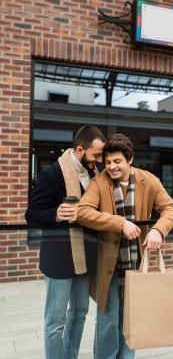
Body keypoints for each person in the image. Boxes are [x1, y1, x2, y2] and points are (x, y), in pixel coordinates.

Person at [76, 133, 173, 359]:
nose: (111, 167)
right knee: (108, 319)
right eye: (108, 161)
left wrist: (158, 230)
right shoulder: (99, 181)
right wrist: (120, 223)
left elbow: (171, 209)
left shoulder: (149, 180)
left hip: (137, 263)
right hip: (108, 265)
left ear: (130, 160)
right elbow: (82, 212)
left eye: (117, 161)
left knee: (133, 317)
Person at [25, 125, 106, 359]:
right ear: (80, 149)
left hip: (86, 256)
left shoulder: (94, 175)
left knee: (80, 313)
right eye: (96, 155)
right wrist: (55, 214)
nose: (100, 160)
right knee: (55, 320)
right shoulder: (51, 174)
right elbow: (32, 214)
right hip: (59, 260)